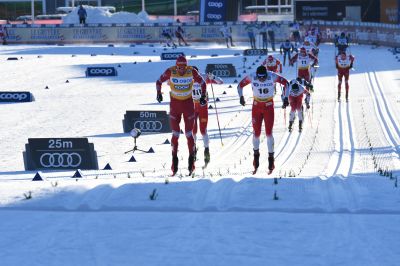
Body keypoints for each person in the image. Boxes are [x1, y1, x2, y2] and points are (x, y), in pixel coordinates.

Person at [156, 56, 207, 175]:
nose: (181, 70)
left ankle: (191, 163)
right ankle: (174, 163)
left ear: (187, 65)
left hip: (188, 105)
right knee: (175, 134)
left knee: (189, 134)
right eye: (179, 67)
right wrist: (158, 93)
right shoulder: (171, 71)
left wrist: (203, 96)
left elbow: (203, 83)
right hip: (175, 106)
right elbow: (158, 81)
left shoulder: (192, 71)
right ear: (176, 65)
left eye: (183, 67)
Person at [237, 65, 289, 175]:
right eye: (259, 77)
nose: (261, 79)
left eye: (263, 77)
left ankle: (271, 160)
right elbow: (239, 85)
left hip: (269, 105)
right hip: (256, 106)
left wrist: (286, 97)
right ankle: (256, 159)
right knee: (256, 133)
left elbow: (286, 83)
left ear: (266, 74)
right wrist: (241, 97)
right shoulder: (252, 76)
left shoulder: (272, 76)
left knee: (269, 133)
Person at [192, 67, 223, 165]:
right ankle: (193, 150)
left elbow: (220, 82)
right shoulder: (187, 78)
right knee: (193, 131)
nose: (193, 77)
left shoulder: (204, 77)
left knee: (203, 130)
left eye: (195, 74)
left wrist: (213, 76)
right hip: (192, 106)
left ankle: (206, 151)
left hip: (202, 106)